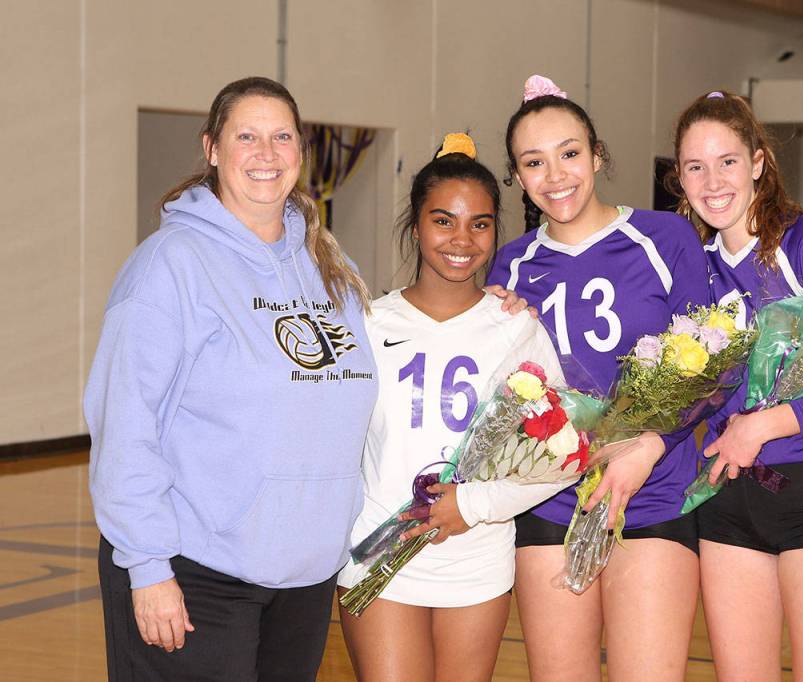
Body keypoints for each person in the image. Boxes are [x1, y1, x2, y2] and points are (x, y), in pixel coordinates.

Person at [85, 76, 377, 681]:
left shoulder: (330, 266)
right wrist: (147, 567)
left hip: (303, 577)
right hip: (195, 573)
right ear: (212, 148)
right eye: (247, 136)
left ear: (301, 150)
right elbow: (126, 426)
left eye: (281, 137)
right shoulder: (169, 267)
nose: (265, 154)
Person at [487, 75, 711, 682]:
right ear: (517, 175)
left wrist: (652, 447)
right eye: (534, 162)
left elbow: (716, 363)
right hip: (550, 499)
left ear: (598, 155)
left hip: (654, 492)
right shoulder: (511, 263)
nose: (555, 175)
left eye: (569, 153)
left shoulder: (664, 237)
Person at [671, 90, 803, 681]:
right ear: (679, 178)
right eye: (695, 166)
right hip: (727, 501)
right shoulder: (696, 269)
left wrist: (762, 425)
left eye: (728, 161)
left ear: (759, 162)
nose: (712, 180)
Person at [337, 133, 569, 682]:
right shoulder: (366, 325)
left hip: (476, 559)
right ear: (416, 225)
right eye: (444, 220)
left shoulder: (516, 328)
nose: (462, 239)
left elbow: (564, 454)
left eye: (480, 224)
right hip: (378, 553)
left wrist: (477, 504)